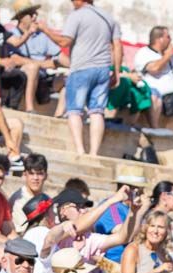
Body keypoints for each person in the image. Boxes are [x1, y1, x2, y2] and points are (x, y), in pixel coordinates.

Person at [40, 0, 121, 156]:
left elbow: (65, 41)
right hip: (103, 69)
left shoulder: (77, 16)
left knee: (74, 110)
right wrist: (116, 72)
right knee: (97, 112)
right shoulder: (108, 17)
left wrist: (46, 30)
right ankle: (94, 153)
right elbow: (117, 46)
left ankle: (80, 150)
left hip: (81, 68)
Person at [9, 0, 69, 114]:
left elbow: (60, 56)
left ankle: (58, 116)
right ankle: (30, 108)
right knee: (32, 68)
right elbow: (16, 59)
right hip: (23, 77)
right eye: (31, 14)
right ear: (21, 17)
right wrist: (44, 64)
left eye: (35, 13)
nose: (35, 17)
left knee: (68, 79)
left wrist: (78, 66)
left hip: (42, 78)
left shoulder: (41, 35)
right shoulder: (12, 35)